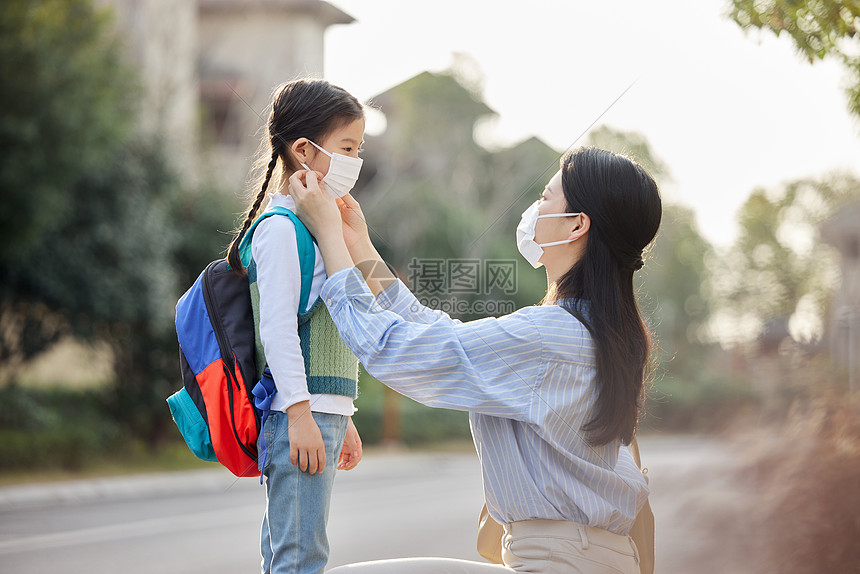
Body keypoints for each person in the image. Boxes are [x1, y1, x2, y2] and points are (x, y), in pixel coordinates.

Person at [290, 146, 662, 574]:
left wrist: (330, 238)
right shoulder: (604, 335)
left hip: (555, 562)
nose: (534, 208)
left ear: (577, 224)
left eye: (545, 197)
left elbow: (395, 349)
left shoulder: (548, 336)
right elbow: (433, 331)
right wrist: (360, 245)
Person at [225, 78, 366, 574]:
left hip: (317, 411)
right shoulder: (281, 229)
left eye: (358, 148)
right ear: (304, 151)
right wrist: (302, 415)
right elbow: (279, 331)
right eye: (346, 147)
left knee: (292, 552)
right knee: (300, 558)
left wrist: (341, 415)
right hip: (296, 413)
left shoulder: (312, 226)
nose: (355, 160)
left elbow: (330, 328)